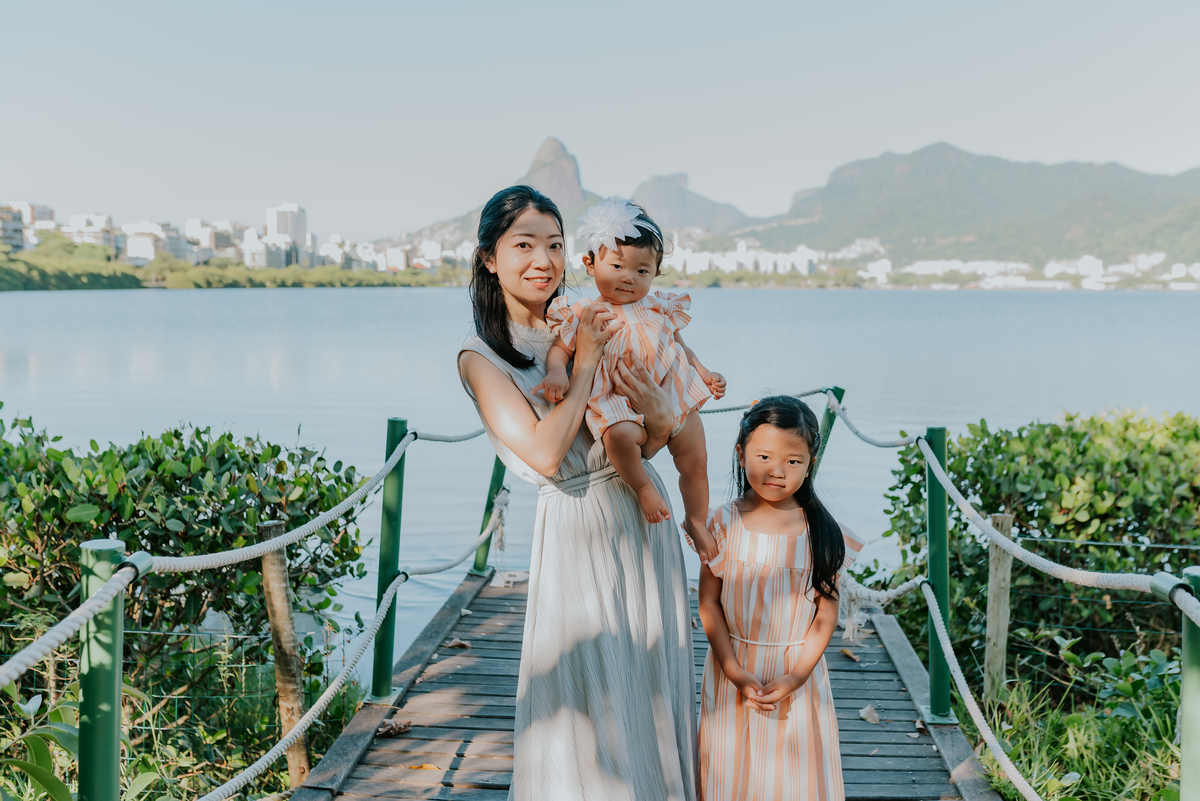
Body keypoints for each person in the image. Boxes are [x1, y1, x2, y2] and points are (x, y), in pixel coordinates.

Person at [457, 185, 698, 800]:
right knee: (591, 701)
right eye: (524, 244)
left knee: (649, 686)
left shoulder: (597, 315)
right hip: (575, 527)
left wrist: (665, 419)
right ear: (489, 257)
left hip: (642, 518)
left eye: (555, 245)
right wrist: (584, 362)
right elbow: (543, 451)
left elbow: (647, 437)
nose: (543, 259)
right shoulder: (482, 358)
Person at [536, 199, 725, 561]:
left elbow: (679, 345)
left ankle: (697, 521)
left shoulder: (657, 307)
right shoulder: (585, 313)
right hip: (618, 399)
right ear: (590, 263)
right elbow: (560, 348)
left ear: (655, 274)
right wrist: (557, 371)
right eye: (618, 265)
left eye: (642, 271)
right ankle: (642, 487)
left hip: (672, 393)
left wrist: (704, 374)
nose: (629, 277)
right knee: (619, 436)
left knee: (695, 459)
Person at [696, 396, 863, 801]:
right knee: (730, 773)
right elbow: (709, 603)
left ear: (810, 464)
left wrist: (797, 675)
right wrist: (734, 671)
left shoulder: (823, 532)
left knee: (794, 781)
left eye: (793, 461)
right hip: (732, 668)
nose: (777, 471)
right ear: (741, 454)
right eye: (765, 456)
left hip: (798, 673)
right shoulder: (722, 522)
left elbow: (825, 613)